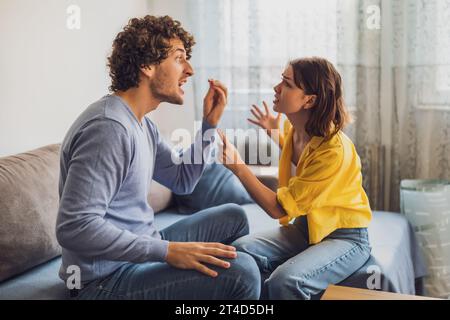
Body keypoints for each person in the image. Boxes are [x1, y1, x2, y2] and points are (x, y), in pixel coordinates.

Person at [55, 15, 260, 300]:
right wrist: (167, 252)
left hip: (142, 249)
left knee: (234, 217)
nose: (189, 70)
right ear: (147, 65)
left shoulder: (141, 123)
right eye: (179, 59)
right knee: (243, 272)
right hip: (103, 281)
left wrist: (209, 126)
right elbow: (74, 228)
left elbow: (182, 181)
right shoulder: (108, 128)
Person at [217, 57, 372, 300]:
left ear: (309, 100)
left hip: (345, 237)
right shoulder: (295, 130)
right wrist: (273, 131)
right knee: (240, 252)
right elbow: (300, 156)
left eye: (287, 84)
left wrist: (239, 167)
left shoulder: (333, 151)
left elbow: (278, 208)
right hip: (306, 228)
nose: (277, 88)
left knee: (285, 281)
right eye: (281, 80)